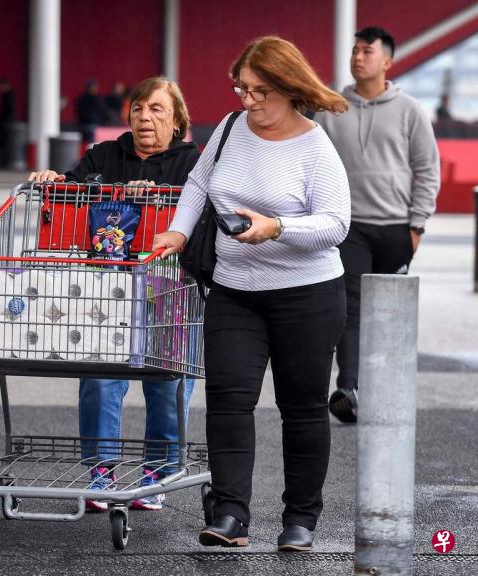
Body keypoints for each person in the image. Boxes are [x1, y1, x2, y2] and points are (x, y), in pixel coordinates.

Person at [155, 36, 350, 552]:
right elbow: (198, 184)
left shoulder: (314, 146)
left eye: (261, 91)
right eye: (242, 88)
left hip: (307, 294)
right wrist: (177, 231)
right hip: (236, 288)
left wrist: (277, 227)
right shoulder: (228, 129)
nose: (249, 101)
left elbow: (336, 225)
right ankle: (230, 515)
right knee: (228, 401)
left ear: (289, 87)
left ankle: (300, 520)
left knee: (302, 407)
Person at [29, 76, 200, 512]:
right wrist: (54, 180)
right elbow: (69, 194)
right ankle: (101, 472)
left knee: (168, 384)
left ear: (177, 119)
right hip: (107, 290)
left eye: (157, 109)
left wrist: (158, 197)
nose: (145, 117)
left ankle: (158, 473)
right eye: (139, 108)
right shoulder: (106, 155)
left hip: (171, 289)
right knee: (101, 379)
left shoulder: (192, 165)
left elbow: (205, 215)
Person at [316, 27, 441, 424]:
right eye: (354, 50)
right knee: (350, 308)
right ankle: (348, 389)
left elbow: (427, 170)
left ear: (386, 61)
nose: (357, 57)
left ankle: (384, 390)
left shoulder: (410, 110)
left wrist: (416, 227)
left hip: (396, 229)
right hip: (349, 226)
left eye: (366, 51)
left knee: (386, 313)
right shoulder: (331, 108)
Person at [0, 77, 16, 164]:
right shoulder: (6, 95)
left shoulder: (9, 96)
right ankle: (4, 161)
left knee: (6, 143)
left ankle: (5, 162)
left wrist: (5, 122)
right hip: (4, 123)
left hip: (7, 124)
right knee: (3, 143)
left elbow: (8, 111)